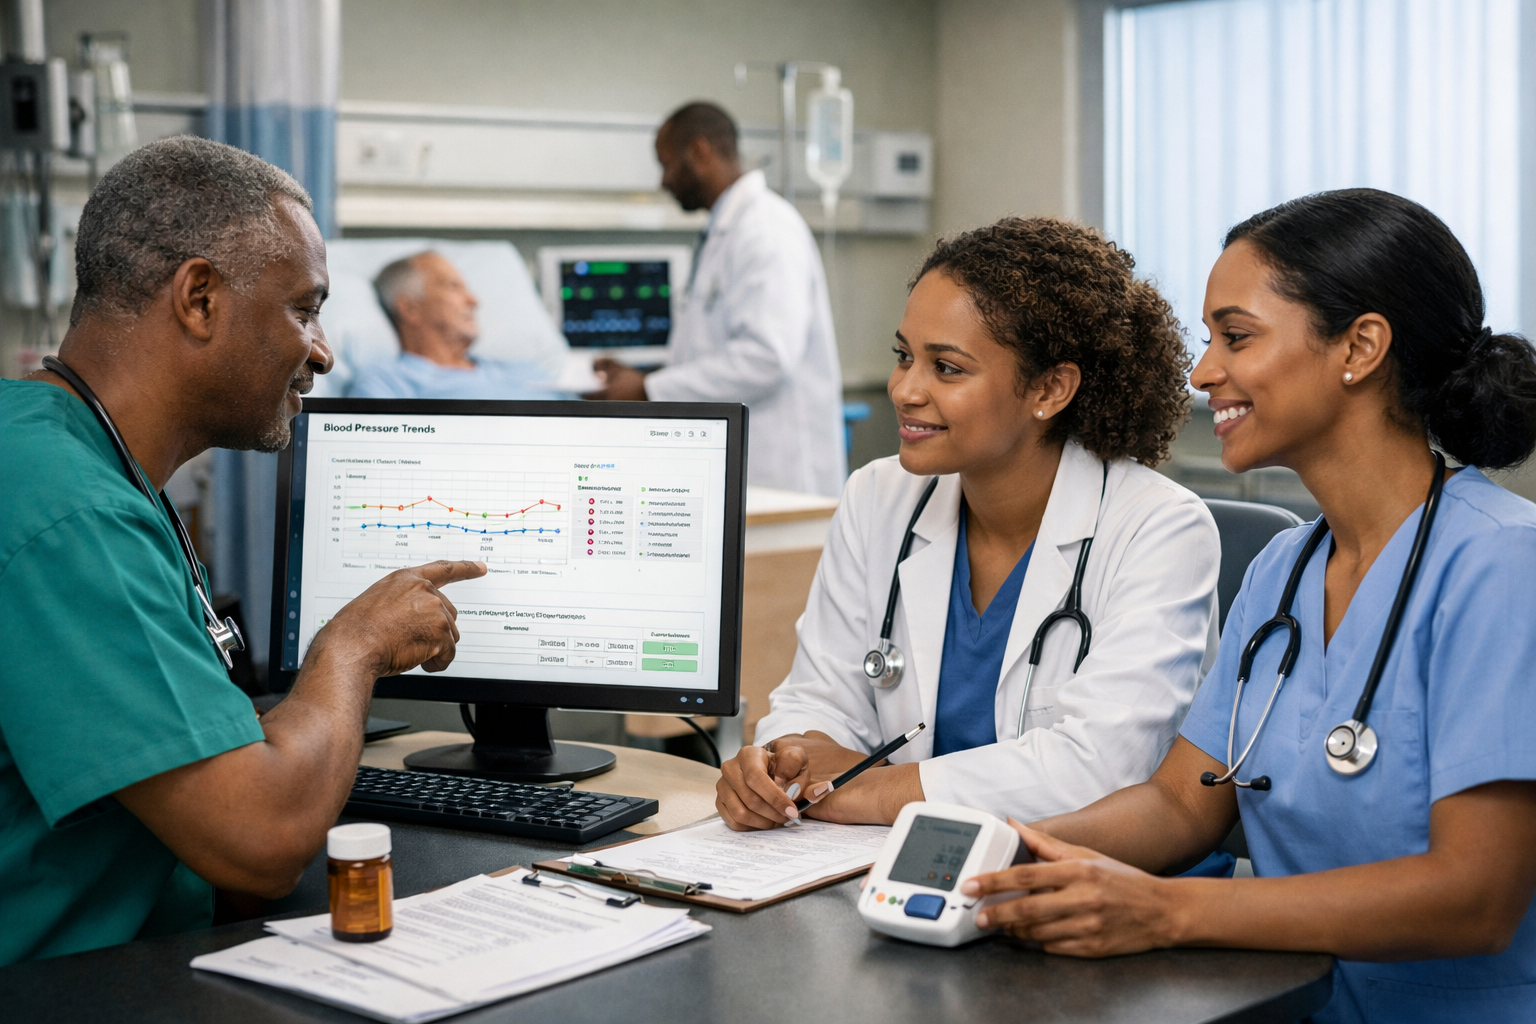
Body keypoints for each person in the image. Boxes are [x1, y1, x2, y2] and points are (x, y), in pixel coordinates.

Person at [963, 190, 1536, 1024]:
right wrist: (998, 849)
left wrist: (1167, 913)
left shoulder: (1502, 564)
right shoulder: (1283, 570)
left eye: (1236, 336)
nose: (1202, 372)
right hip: (1281, 1004)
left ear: (1360, 347)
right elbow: (1180, 805)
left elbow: (1474, 898)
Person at [0, 136, 485, 964]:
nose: (323, 352)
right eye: (304, 307)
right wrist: (353, 646)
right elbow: (262, 839)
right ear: (199, 298)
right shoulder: (69, 512)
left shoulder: (57, 452)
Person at [715, 218, 1222, 833]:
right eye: (904, 356)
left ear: (1050, 388)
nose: (904, 389)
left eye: (946, 368)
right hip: (897, 864)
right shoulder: (880, 497)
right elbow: (820, 697)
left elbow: (1098, 770)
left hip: (1090, 888)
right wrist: (782, 763)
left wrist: (874, 793)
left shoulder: (1158, 529)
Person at [583, 101, 847, 497]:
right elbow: (712, 347)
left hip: (779, 474)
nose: (664, 181)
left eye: (667, 163)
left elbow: (766, 357)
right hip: (740, 468)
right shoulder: (727, 231)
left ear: (700, 152)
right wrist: (642, 374)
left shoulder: (766, 230)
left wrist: (649, 388)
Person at [349, 250, 554, 399]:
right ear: (410, 308)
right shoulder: (388, 383)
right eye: (454, 287)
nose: (474, 301)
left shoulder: (528, 372)